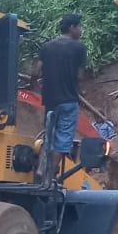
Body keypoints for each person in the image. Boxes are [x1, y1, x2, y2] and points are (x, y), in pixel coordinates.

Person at [39, 13, 87, 170]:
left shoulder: (47, 47)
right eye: (79, 26)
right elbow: (80, 76)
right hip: (69, 100)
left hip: (50, 101)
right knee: (63, 139)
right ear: (71, 27)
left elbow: (38, 70)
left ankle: (40, 170)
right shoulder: (79, 47)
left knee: (49, 137)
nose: (80, 30)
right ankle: (50, 174)